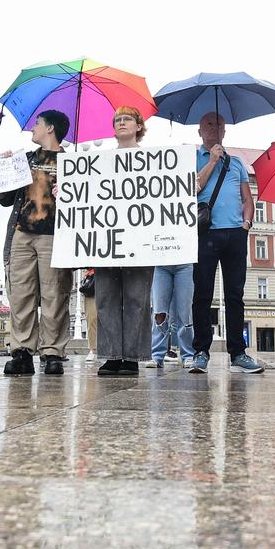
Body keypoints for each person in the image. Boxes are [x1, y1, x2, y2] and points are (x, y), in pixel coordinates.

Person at [0, 110, 72, 376]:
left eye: (37, 123)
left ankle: (53, 352)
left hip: (55, 236)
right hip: (22, 233)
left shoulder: (73, 163)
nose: (33, 128)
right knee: (21, 294)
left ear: (50, 128)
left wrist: (70, 190)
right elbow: (4, 199)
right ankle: (22, 352)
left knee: (55, 294)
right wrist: (6, 169)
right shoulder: (25, 159)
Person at [192, 112, 263, 374]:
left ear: (225, 131)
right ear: (200, 131)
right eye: (209, 124)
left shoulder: (237, 163)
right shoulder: (192, 158)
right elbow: (193, 187)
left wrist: (246, 224)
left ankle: (238, 353)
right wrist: (212, 160)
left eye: (219, 125)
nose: (215, 128)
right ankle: (201, 351)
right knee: (202, 294)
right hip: (205, 233)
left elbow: (247, 198)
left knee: (235, 295)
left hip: (235, 233)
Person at [93, 106, 156, 377]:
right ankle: (111, 355)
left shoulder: (153, 160)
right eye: (117, 120)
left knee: (136, 297)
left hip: (140, 239)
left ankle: (131, 357)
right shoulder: (101, 161)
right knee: (106, 296)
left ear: (138, 126)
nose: (121, 123)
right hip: (107, 239)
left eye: (127, 119)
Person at [151, 262, 195, 369]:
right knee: (159, 312)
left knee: (185, 312)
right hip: (160, 264)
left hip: (186, 263)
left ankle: (188, 355)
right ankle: (156, 356)